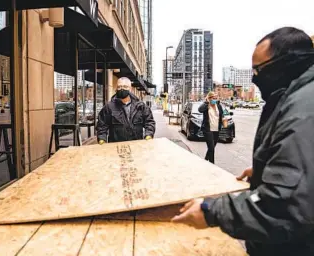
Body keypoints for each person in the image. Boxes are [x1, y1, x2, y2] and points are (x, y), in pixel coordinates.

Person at [171, 27, 314, 256]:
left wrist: (211, 210)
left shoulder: (303, 110)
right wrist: (266, 168)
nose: (254, 78)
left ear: (286, 63)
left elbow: (284, 204)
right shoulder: (292, 96)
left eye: (258, 70)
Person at [96, 77, 156, 144]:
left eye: (125, 86)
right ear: (116, 88)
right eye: (119, 86)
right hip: (116, 147)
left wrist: (149, 135)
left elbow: (149, 122)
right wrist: (102, 139)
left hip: (136, 146)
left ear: (130, 89)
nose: (122, 89)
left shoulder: (141, 106)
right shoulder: (109, 107)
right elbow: (102, 126)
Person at [198, 92, 224, 164]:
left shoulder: (218, 106)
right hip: (207, 129)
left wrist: (224, 119)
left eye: (216, 98)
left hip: (216, 129)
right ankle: (212, 164)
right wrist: (207, 102)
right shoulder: (206, 105)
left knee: (211, 148)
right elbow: (200, 110)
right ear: (209, 98)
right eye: (213, 98)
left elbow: (222, 114)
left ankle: (205, 160)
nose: (215, 100)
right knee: (211, 148)